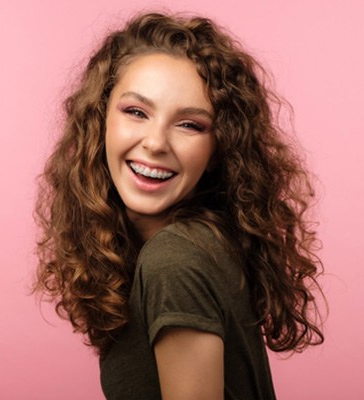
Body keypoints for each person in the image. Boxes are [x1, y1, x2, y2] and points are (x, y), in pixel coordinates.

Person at [33, 12, 325, 399]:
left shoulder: (174, 261)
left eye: (190, 124)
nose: (155, 143)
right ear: (99, 120)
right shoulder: (198, 244)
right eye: (136, 112)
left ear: (220, 149)